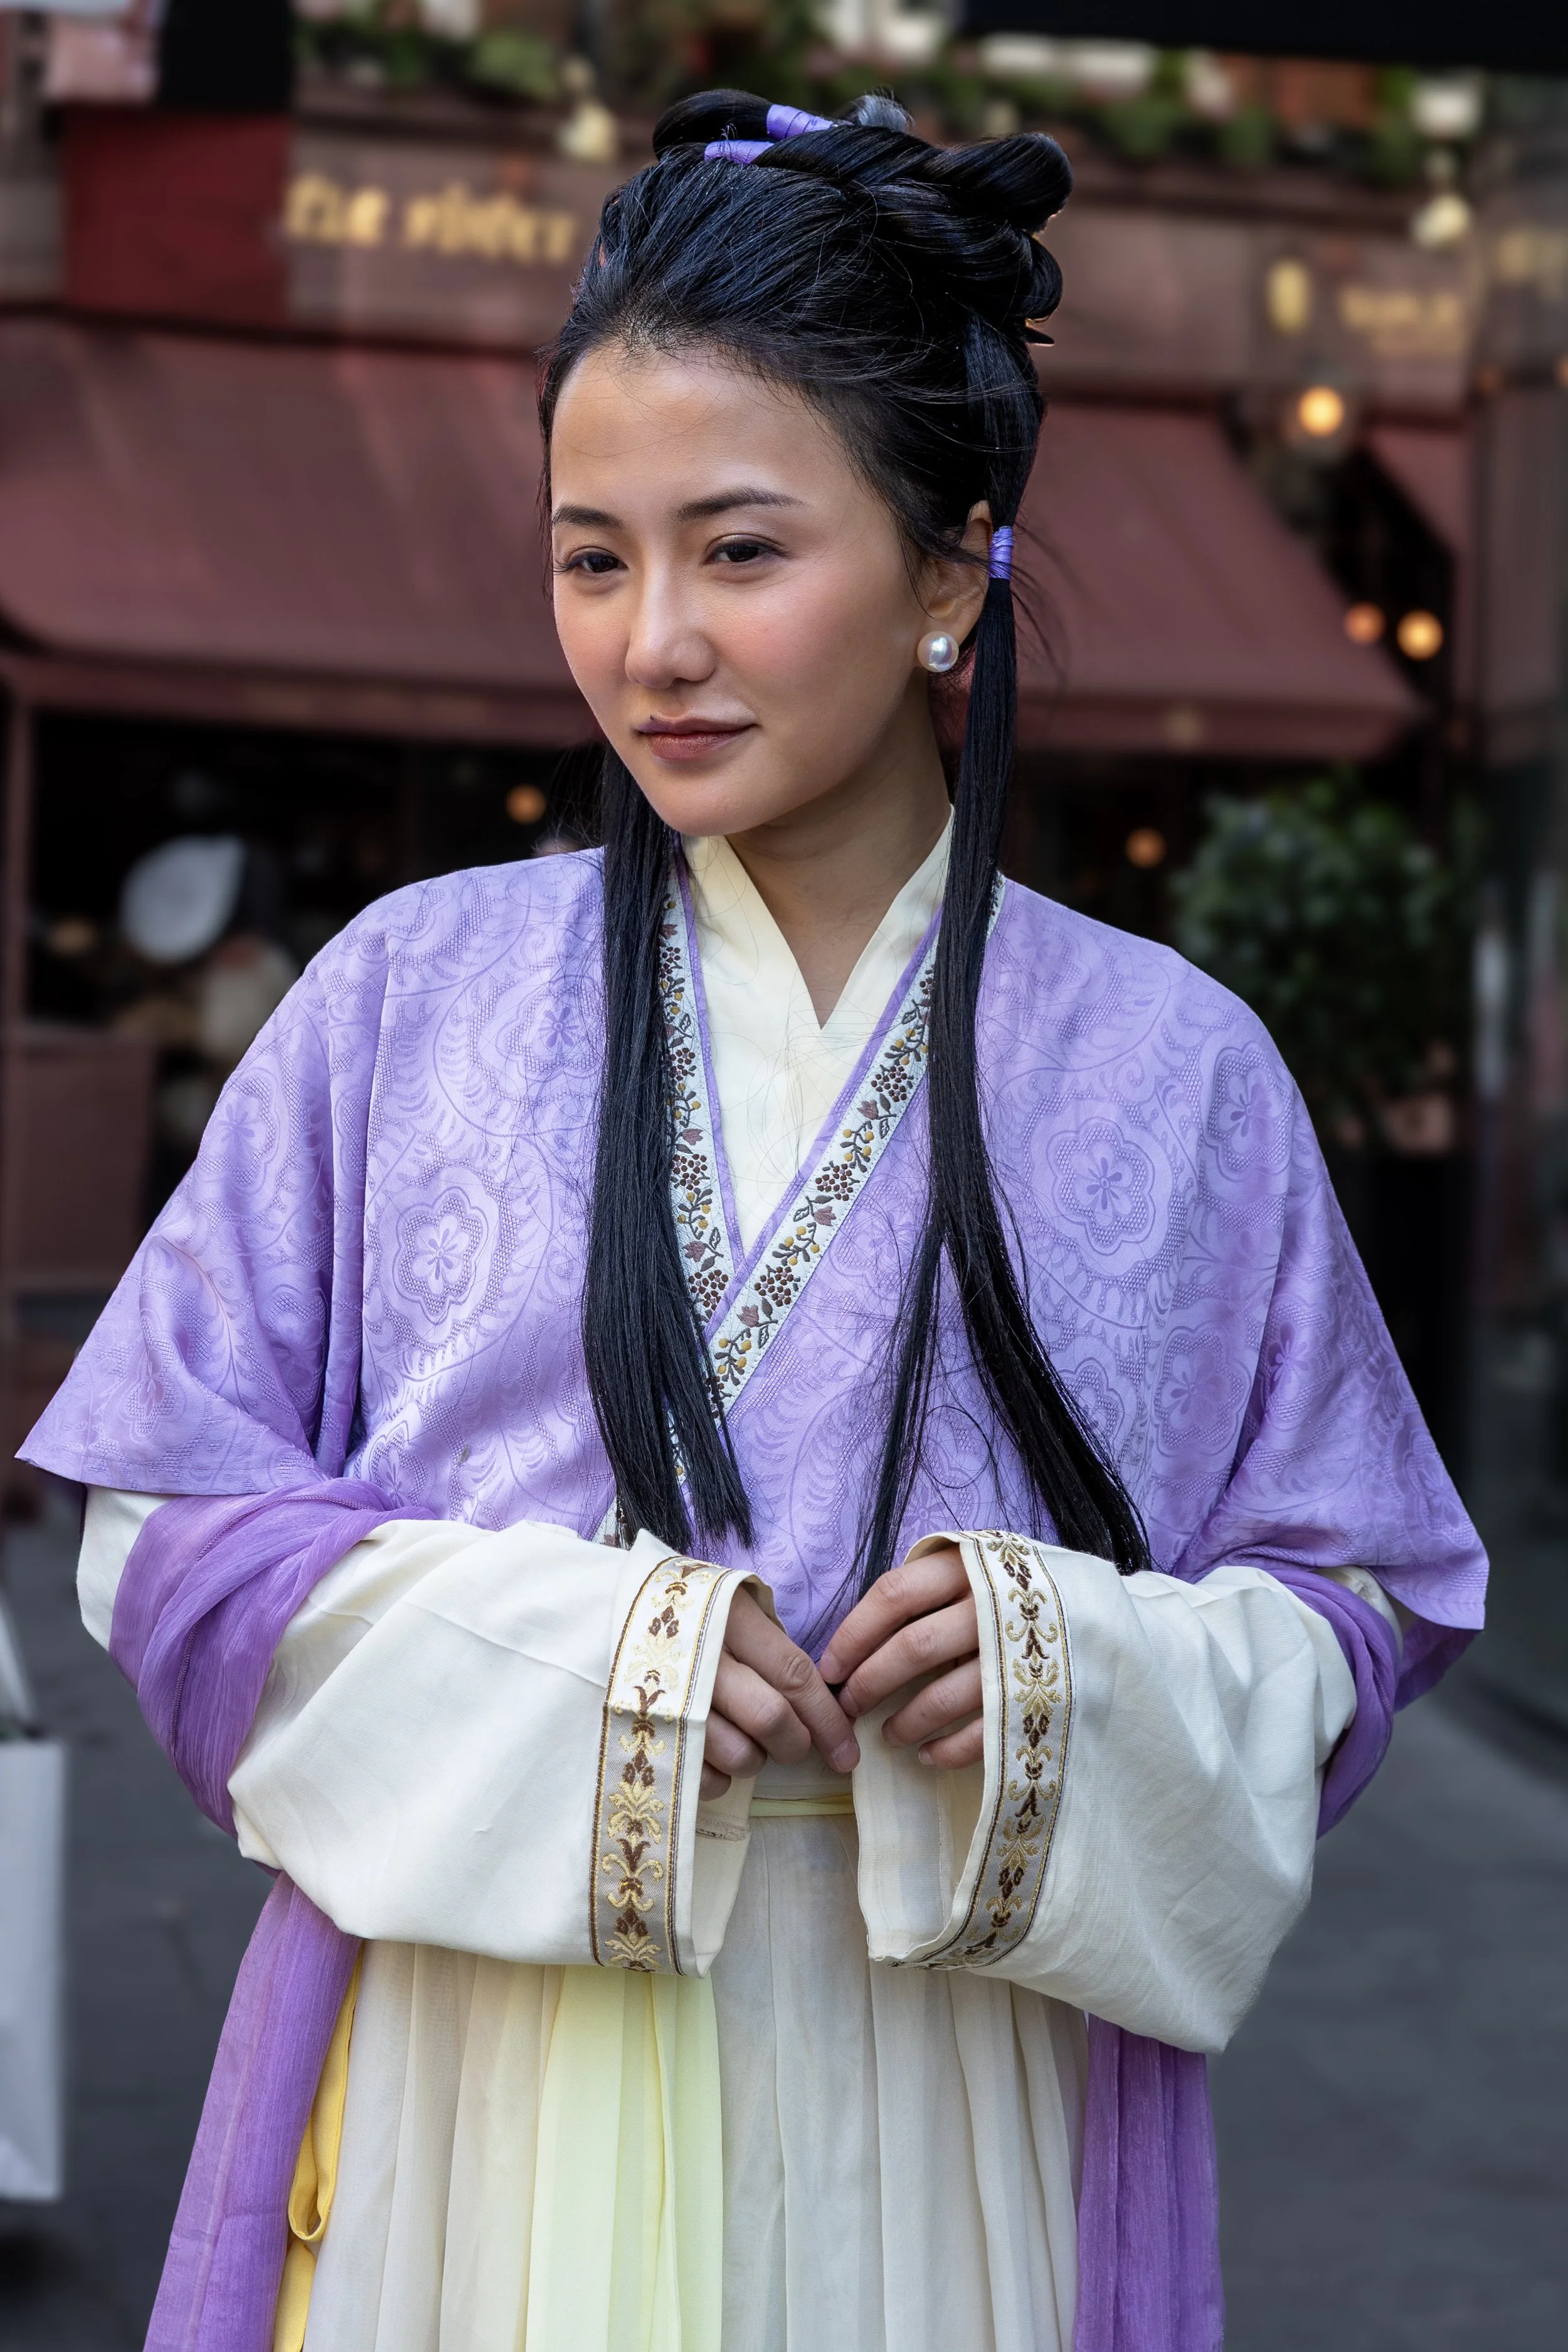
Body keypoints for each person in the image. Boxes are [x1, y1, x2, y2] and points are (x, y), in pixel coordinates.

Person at [22, 91, 1485, 2352]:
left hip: (950, 2086)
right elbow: (162, 1527)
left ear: (942, 566)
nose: (650, 644)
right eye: (591, 556)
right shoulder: (410, 994)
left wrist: (1067, 1675)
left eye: (736, 549)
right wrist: (581, 1672)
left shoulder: (1179, 1068)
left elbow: (1357, 1596)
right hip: (475, 2061)